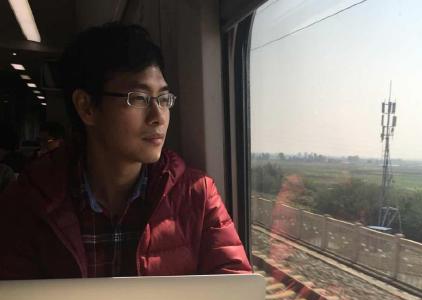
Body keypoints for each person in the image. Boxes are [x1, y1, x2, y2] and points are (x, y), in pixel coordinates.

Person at [0, 23, 251, 280]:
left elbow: (235, 290)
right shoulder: (28, 201)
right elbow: (11, 299)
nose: (158, 117)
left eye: (164, 99)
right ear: (86, 107)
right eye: (139, 98)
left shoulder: (196, 195)